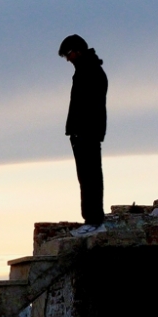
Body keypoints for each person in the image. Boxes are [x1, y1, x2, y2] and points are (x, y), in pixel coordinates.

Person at [59, 34, 108, 235]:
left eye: (69, 54)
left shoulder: (90, 72)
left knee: (90, 177)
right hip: (85, 132)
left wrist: (81, 130)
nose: (68, 59)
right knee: (87, 176)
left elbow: (90, 106)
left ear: (78, 50)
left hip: (87, 132)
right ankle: (92, 220)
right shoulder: (86, 70)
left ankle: (93, 221)